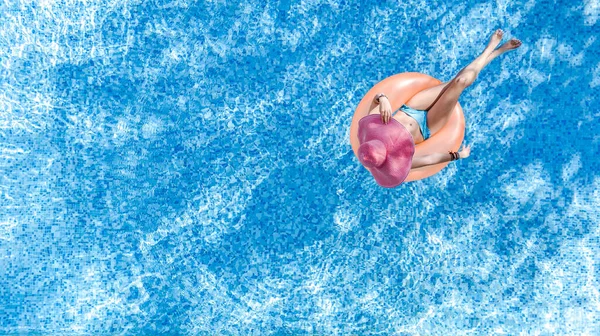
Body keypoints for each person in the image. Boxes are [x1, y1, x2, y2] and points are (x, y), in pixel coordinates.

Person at [368, 29, 522, 169]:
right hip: (427, 126)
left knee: (456, 80)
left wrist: (383, 99)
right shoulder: (395, 162)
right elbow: (429, 159)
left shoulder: (371, 130)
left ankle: (493, 51)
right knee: (460, 82)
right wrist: (458, 155)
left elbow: (375, 100)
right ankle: (492, 51)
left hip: (411, 109)